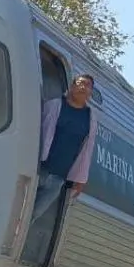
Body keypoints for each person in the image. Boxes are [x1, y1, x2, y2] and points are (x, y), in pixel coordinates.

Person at [30, 74, 99, 224]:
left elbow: (87, 150)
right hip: (37, 168)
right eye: (80, 83)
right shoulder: (54, 105)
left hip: (58, 178)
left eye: (87, 86)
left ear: (91, 93)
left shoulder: (90, 118)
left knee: (34, 214)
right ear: (72, 86)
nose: (83, 87)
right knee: (20, 208)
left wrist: (81, 179)